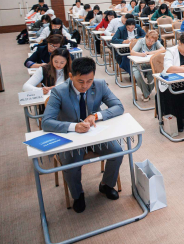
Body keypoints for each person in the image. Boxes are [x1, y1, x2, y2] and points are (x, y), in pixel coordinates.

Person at [42, 57, 124, 213]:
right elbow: (46, 122)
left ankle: (106, 185)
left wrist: (96, 115)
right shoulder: (59, 91)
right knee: (71, 163)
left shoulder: (99, 85)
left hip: (94, 132)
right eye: (80, 81)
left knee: (117, 152)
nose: (85, 86)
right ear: (71, 76)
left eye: (89, 81)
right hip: (70, 136)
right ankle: (78, 195)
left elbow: (118, 107)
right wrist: (74, 127)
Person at [130, 30, 165, 101]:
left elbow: (163, 49)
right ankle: (146, 94)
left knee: (153, 77)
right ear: (146, 37)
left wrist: (150, 53)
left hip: (150, 66)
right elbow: (132, 52)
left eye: (152, 41)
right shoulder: (140, 41)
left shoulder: (156, 42)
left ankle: (146, 93)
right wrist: (141, 54)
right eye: (149, 40)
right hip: (138, 65)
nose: (150, 42)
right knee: (138, 77)